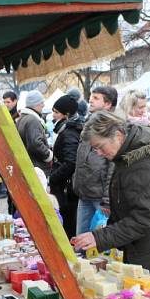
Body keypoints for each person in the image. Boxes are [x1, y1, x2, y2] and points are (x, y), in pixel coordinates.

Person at [71, 112, 150, 280]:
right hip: (145, 245)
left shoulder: (143, 164)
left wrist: (99, 237)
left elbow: (142, 218)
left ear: (118, 135)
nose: (99, 153)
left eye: (100, 146)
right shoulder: (129, 155)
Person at [72, 86, 117, 234]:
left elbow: (113, 166)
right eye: (91, 96)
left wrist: (107, 199)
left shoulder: (112, 126)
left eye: (96, 98)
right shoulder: (89, 122)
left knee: (101, 244)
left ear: (108, 104)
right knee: (81, 239)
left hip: (101, 197)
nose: (90, 100)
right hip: (85, 192)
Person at [48, 95, 83, 237]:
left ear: (66, 114)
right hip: (64, 186)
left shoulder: (69, 132)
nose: (53, 115)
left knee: (67, 225)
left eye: (56, 112)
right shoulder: (66, 130)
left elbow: (71, 162)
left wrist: (53, 178)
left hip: (66, 189)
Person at [16, 90, 53, 173]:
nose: (43, 105)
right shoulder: (32, 120)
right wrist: (49, 155)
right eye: (41, 103)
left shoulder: (22, 119)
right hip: (37, 167)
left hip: (29, 164)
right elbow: (35, 144)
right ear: (36, 104)